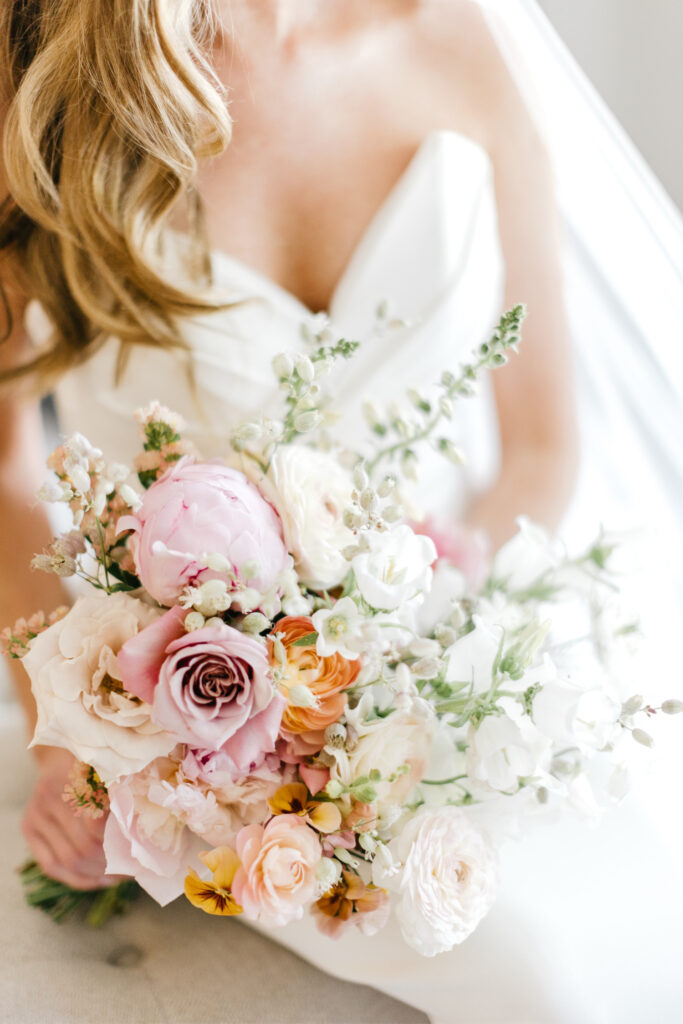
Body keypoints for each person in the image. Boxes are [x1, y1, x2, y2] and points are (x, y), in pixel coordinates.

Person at [2, 3, 682, 1022]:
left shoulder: (452, 38)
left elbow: (540, 444)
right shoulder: (50, 78)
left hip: (477, 652)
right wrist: (64, 732)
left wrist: (412, 637)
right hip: (229, 755)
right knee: (542, 974)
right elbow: (8, 471)